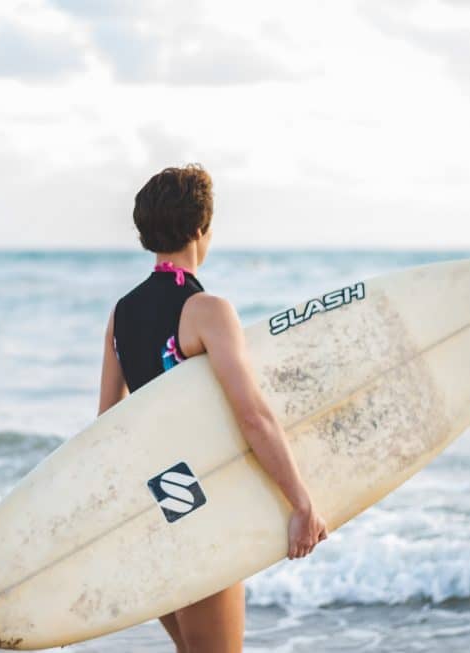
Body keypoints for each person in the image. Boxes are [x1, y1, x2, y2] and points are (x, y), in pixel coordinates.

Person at [97, 164, 328, 653]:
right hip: (197, 505)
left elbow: (107, 429)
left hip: (151, 509)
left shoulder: (121, 313)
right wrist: (301, 502)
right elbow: (254, 416)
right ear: (202, 229)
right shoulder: (206, 311)